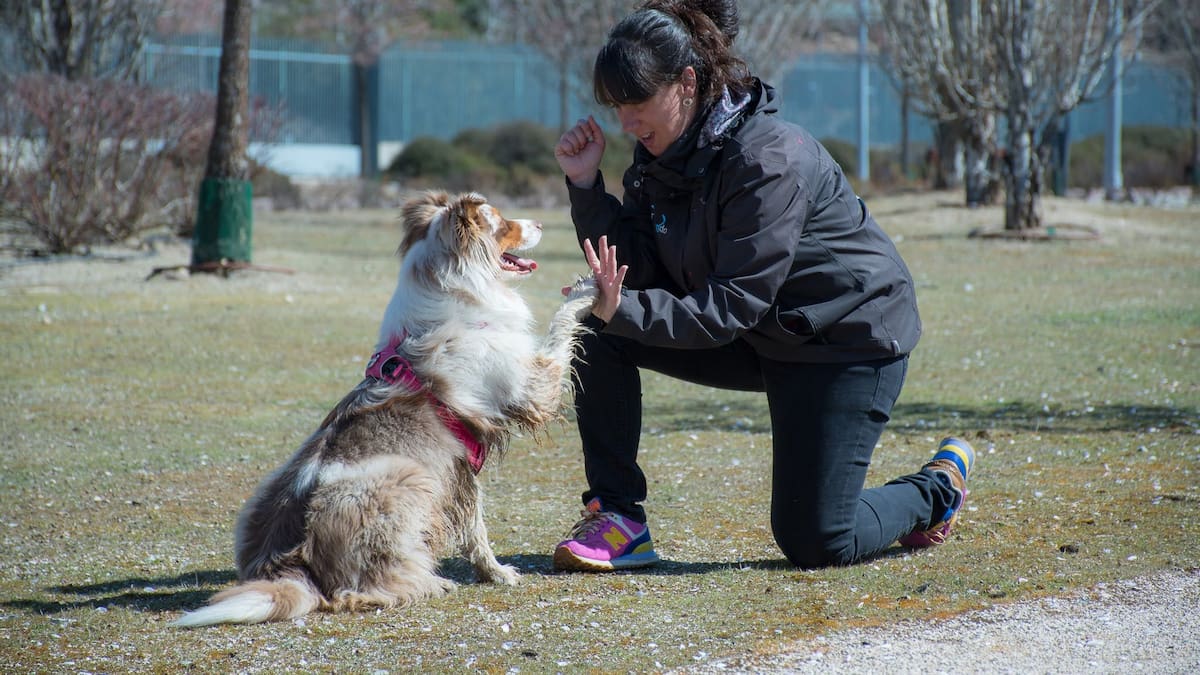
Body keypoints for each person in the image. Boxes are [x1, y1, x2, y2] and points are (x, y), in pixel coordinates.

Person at [551, 0, 975, 572]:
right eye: (617, 106)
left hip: (843, 342)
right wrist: (585, 187)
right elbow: (639, 271)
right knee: (595, 329)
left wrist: (622, 307)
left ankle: (936, 490)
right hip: (761, 336)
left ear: (687, 83)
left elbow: (731, 304)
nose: (625, 121)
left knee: (816, 540)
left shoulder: (767, 159)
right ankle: (619, 517)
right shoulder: (659, 155)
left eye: (637, 102)